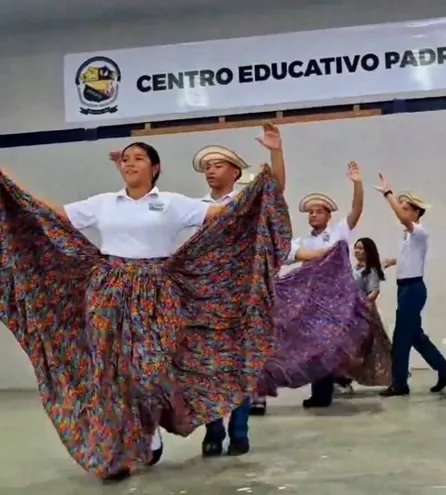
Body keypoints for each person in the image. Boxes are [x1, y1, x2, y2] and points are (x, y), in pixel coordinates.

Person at [0, 142, 291, 481]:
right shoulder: (103, 203)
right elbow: (51, 215)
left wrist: (275, 159)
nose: (130, 164)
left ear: (156, 168)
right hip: (109, 291)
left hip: (157, 292)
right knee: (110, 374)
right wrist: (5, 179)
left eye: (139, 158)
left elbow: (246, 208)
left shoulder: (173, 204)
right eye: (126, 159)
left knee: (149, 373)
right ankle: (118, 450)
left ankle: (148, 427)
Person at [192, 123, 287, 457]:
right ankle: (213, 430)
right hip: (204, 297)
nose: (210, 172)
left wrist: (275, 151)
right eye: (207, 167)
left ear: (235, 171)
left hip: (243, 297)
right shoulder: (195, 206)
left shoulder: (247, 200)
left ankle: (240, 429)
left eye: (217, 166)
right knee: (207, 366)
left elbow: (276, 191)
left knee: (241, 364)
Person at [256, 162, 366, 410]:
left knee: (327, 345)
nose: (314, 215)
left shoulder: (338, 233)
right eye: (311, 212)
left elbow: (356, 210)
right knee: (314, 347)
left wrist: (357, 184)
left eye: (319, 211)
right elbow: (287, 256)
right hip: (309, 303)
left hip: (334, 301)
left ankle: (326, 390)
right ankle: (323, 388)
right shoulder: (301, 242)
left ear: (328, 215)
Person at [372, 173, 446, 397]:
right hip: (406, 289)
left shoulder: (420, 232)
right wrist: (393, 261)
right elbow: (410, 258)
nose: (401, 211)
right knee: (415, 336)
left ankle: (399, 383)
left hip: (413, 289)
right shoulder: (408, 237)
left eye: (405, 207)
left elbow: (403, 220)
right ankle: (445, 370)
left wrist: (388, 193)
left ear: (416, 212)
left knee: (401, 336)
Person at [344, 237, 393, 388]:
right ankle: (345, 379)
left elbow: (374, 292)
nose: (357, 251)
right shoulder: (356, 269)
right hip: (352, 313)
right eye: (356, 248)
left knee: (372, 348)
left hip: (365, 314)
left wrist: (362, 303)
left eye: (361, 248)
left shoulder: (370, 271)